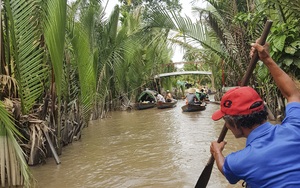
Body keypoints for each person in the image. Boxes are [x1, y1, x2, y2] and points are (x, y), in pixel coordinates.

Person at [210, 40, 300, 187]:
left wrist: (217, 152)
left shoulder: (239, 161)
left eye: (226, 120)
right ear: (263, 110)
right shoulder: (295, 127)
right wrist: (267, 59)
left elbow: (225, 169)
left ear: (234, 124)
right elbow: (293, 95)